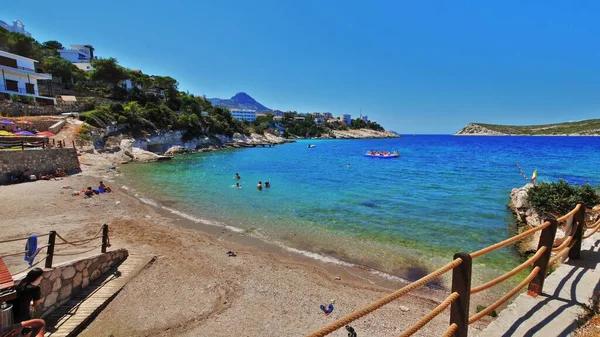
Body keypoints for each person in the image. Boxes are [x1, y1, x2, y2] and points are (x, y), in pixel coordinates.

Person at [7, 268, 46, 337]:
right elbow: (36, 304)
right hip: (23, 314)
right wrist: (30, 304)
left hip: (12, 314)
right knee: (25, 332)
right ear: (38, 277)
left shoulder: (20, 285)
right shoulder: (35, 289)